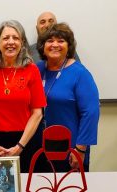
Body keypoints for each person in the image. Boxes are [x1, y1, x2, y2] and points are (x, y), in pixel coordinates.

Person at [0, 20, 46, 173]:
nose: (11, 42)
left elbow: (37, 113)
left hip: (25, 142)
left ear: (22, 43)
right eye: (6, 38)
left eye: (15, 38)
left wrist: (19, 146)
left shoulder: (32, 70)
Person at [36, 23, 99, 172]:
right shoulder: (37, 69)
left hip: (70, 147)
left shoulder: (80, 73)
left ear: (69, 46)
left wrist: (81, 149)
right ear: (42, 46)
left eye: (61, 41)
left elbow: (91, 112)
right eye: (50, 41)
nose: (55, 45)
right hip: (40, 145)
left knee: (69, 191)